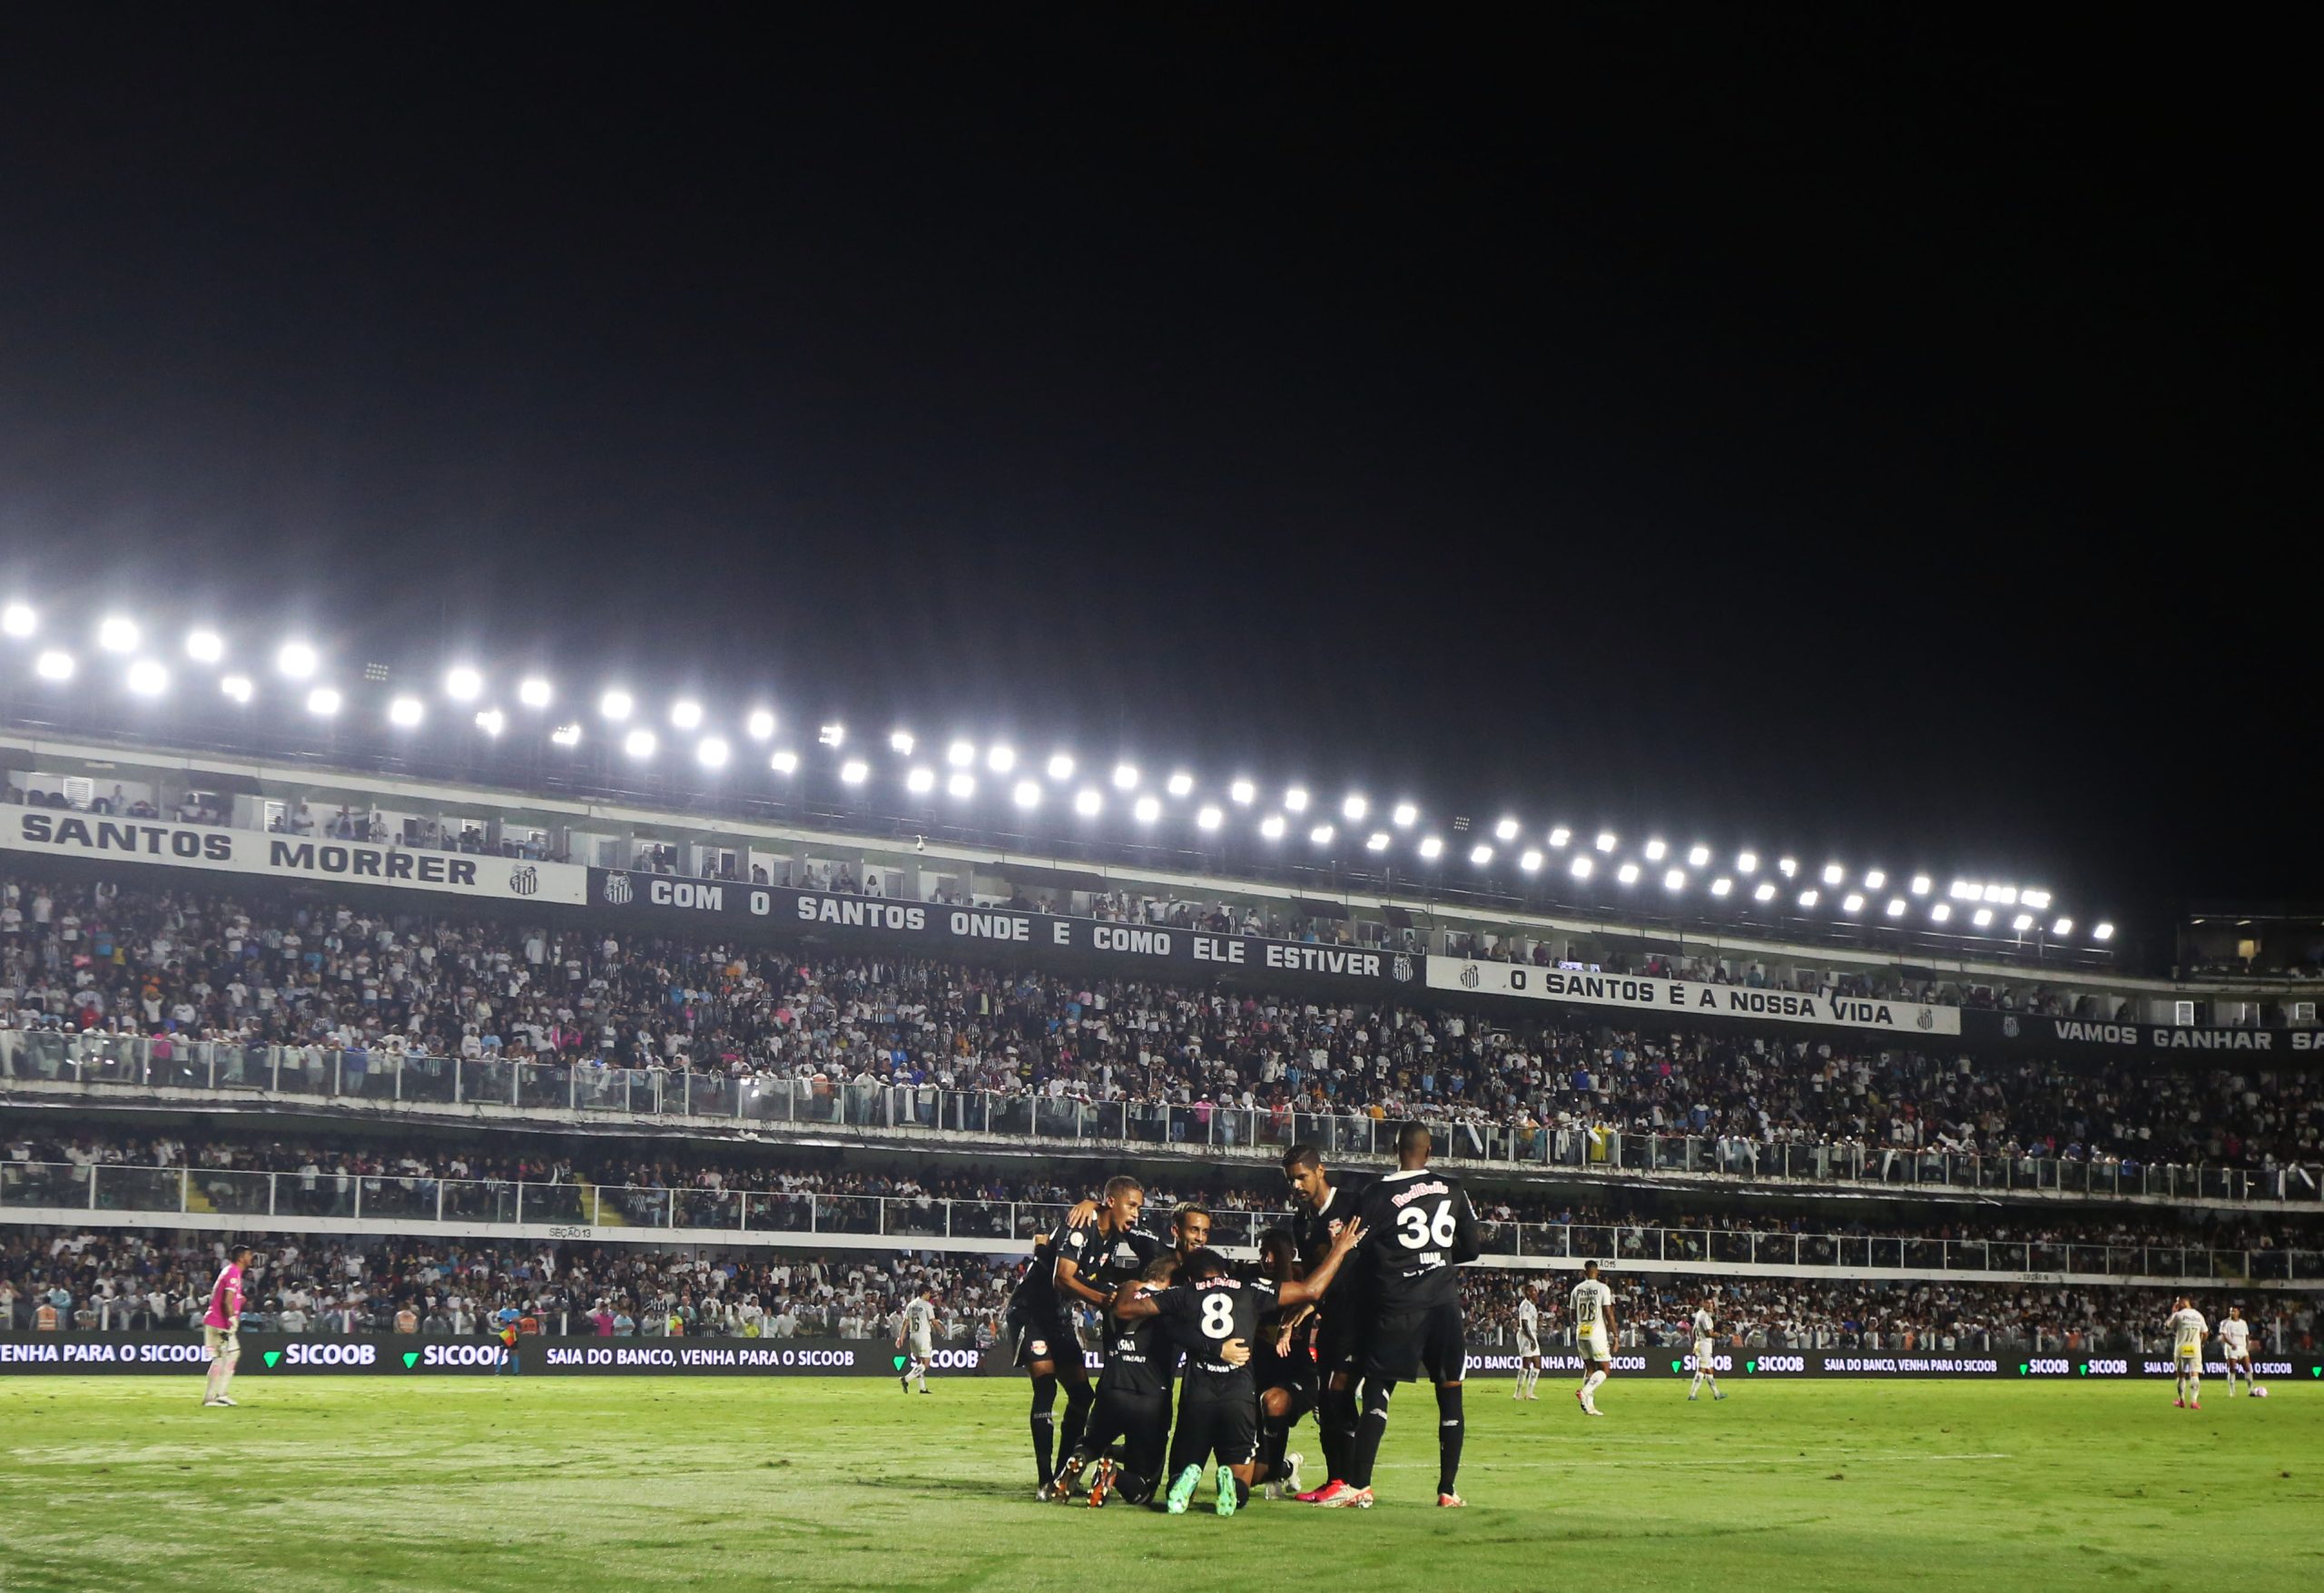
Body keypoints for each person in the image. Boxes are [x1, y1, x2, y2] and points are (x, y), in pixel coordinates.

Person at [1114, 1217, 1364, 1517]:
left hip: (1198, 1398)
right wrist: (1340, 1250)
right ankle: (1231, 1486)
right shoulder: (1249, 1289)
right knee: (1242, 1482)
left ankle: (1187, 1481)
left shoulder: (1184, 1294)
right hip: (1239, 1398)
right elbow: (1311, 1290)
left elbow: (1126, 1308)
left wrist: (1131, 1285)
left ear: (1191, 1278)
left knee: (1177, 1488)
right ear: (1223, 1271)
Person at [1308, 1122, 1480, 1509]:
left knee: (1377, 1390)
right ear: (1430, 1150)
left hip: (1400, 1306)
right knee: (1450, 1393)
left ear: (1395, 1148)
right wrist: (1436, 1259)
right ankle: (1448, 1490)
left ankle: (1360, 1485)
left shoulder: (1379, 1193)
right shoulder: (1454, 1190)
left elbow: (1353, 1248)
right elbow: (1472, 1246)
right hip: (1444, 1306)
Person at [1064, 1203, 1216, 1506]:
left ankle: (1094, 1457)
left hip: (1131, 1375)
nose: (1199, 1237)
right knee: (1148, 1480)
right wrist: (1094, 1205)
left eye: (1205, 1232)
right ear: (1176, 1231)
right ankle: (1116, 1470)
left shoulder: (1204, 1267)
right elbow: (1119, 1218)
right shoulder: (1156, 1252)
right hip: (1153, 1382)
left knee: (1109, 1438)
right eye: (1193, 1230)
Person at [1047, 1178, 1161, 1493]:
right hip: (1039, 1315)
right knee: (1046, 1393)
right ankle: (1056, 1476)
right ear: (1112, 1202)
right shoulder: (1085, 1225)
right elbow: (1063, 1278)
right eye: (1133, 1205)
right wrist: (1102, 1300)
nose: (1137, 1214)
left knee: (1085, 1404)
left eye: (1140, 1207)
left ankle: (1068, 1468)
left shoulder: (1113, 1234)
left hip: (1066, 1326)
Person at [1283, 1143, 1364, 1491]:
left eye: (1302, 1177)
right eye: (1291, 1180)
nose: (1297, 1186)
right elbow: (1317, 1275)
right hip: (1330, 1319)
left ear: (1320, 1171)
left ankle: (1356, 1482)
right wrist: (1307, 1306)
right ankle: (1336, 1480)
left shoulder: (1352, 1205)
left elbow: (1364, 1262)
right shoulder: (1301, 1221)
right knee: (1327, 1402)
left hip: (1362, 1316)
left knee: (1340, 1393)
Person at [1248, 1229, 1313, 1499]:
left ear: (1293, 1255)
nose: (1268, 1259)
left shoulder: (1306, 1284)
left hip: (1297, 1374)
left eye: (1276, 1252)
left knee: (1273, 1401)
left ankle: (1274, 1476)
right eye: (1264, 1252)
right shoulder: (1252, 1284)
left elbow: (1330, 1290)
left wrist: (1309, 1306)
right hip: (1258, 1377)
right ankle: (1287, 1467)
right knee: (1246, 1477)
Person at [202, 1244, 251, 1408]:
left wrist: (239, 1300)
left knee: (232, 1354)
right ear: (241, 1257)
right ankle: (210, 1398)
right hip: (219, 1322)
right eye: (248, 1255)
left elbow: (229, 1297)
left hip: (218, 1321)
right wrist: (232, 1319)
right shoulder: (232, 1272)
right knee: (220, 1358)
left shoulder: (232, 1272)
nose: (251, 1258)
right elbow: (226, 1301)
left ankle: (221, 1394)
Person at [1571, 1261, 1616, 1416]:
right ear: (1597, 1272)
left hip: (1581, 1331)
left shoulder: (1577, 1290)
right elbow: (1608, 1313)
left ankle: (1589, 1407)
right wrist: (1616, 1335)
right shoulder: (1603, 1288)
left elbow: (1572, 1315)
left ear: (1584, 1272)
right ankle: (1584, 1392)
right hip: (1596, 1332)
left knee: (1590, 1369)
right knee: (1605, 1369)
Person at [2167, 1296, 2208, 1410]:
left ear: (2183, 1303)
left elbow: (2167, 1326)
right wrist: (2201, 1344)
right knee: (2194, 1374)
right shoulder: (2199, 1316)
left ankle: (2181, 1400)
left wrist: (2173, 1312)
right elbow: (2205, 1333)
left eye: (2179, 1303)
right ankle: (2194, 1402)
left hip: (2181, 1347)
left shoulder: (2179, 1315)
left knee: (2181, 1374)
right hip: (2195, 1348)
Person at [897, 1289, 937, 1394]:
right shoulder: (927, 1305)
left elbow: (905, 1323)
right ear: (924, 1292)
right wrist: (941, 1329)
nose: (929, 1295)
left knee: (919, 1364)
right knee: (926, 1364)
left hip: (913, 1335)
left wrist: (900, 1337)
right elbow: (933, 1321)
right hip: (923, 1335)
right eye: (928, 1293)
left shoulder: (910, 1305)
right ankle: (905, 1379)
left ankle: (922, 1388)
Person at [1688, 1292, 1725, 1402]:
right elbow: (1709, 1333)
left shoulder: (1700, 1314)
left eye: (1711, 1303)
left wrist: (1695, 1343)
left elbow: (1694, 1330)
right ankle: (1692, 1394)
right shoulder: (1704, 1317)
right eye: (1707, 1303)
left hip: (1702, 1343)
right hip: (1704, 1344)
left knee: (1708, 1369)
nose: (1710, 1305)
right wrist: (1718, 1335)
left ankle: (1717, 1394)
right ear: (1703, 1304)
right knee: (1702, 1369)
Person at [1512, 1283, 1541, 1401]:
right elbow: (1524, 1324)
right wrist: (1531, 1339)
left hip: (1532, 1334)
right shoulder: (1525, 1306)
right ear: (1528, 1293)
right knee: (1526, 1363)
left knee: (1538, 1364)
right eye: (1534, 1291)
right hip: (1526, 1336)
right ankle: (1517, 1392)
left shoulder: (1532, 1306)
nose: (1536, 1293)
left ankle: (1529, 1393)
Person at [2217, 1306, 2253, 1396]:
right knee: (2232, 1369)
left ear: (2238, 1313)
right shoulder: (2225, 1322)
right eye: (2231, 1311)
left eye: (2234, 1311)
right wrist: (2231, 1344)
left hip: (2242, 1348)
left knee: (2247, 1368)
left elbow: (2246, 1335)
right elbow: (2223, 1336)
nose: (2232, 1312)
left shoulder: (2243, 1323)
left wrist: (2247, 1346)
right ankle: (2232, 1391)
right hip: (2231, 1348)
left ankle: (2250, 1389)